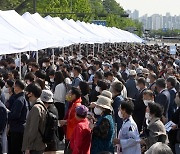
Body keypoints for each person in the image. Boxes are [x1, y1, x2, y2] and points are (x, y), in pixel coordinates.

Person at [22, 83, 46, 154]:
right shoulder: (41, 105)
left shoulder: (36, 108)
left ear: (31, 93)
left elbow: (33, 129)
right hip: (38, 144)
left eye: (27, 92)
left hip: (34, 146)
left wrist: (28, 147)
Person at [8, 80, 27, 154]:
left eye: (14, 86)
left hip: (17, 129)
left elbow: (15, 115)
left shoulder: (19, 100)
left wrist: (8, 113)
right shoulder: (23, 98)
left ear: (17, 88)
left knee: (15, 149)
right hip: (20, 128)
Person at [53, 71, 66, 141]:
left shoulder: (58, 86)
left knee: (58, 121)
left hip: (58, 104)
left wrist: (53, 95)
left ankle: (59, 136)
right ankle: (61, 135)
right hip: (62, 104)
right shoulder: (63, 85)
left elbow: (57, 96)